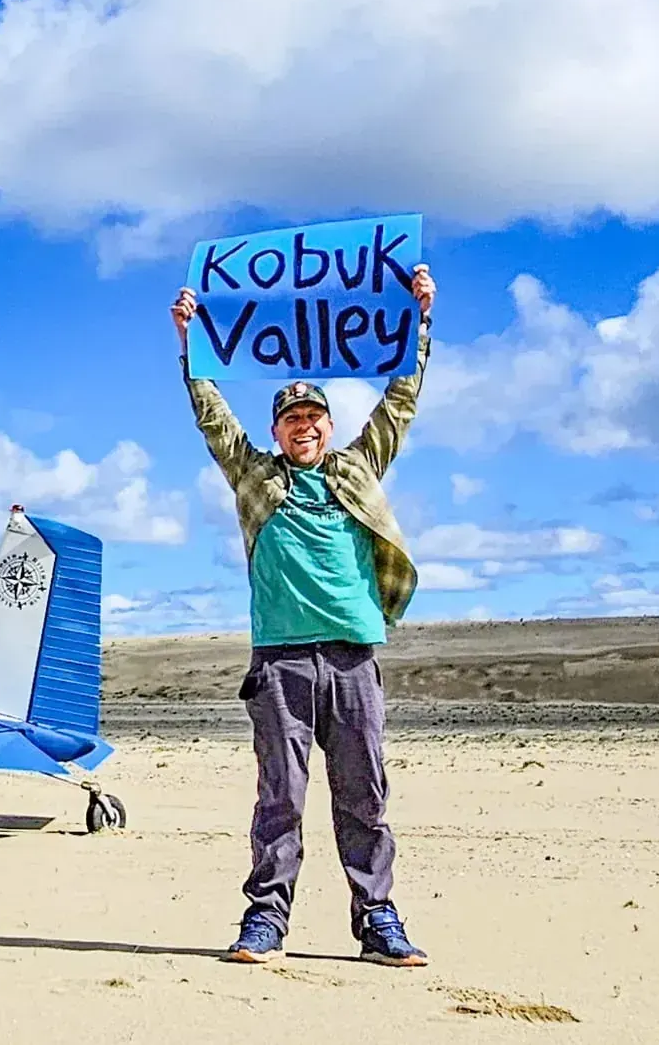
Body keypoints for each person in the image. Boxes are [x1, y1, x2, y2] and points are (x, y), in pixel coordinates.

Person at [170, 263, 437, 968]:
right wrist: (190, 342)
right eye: (292, 419)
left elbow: (399, 402)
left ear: (328, 425)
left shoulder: (356, 468)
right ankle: (265, 919)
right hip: (281, 659)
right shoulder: (255, 475)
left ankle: (378, 919)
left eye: (313, 417)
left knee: (364, 794)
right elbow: (213, 420)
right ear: (278, 430)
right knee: (280, 796)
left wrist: (420, 318)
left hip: (352, 654)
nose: (304, 427)